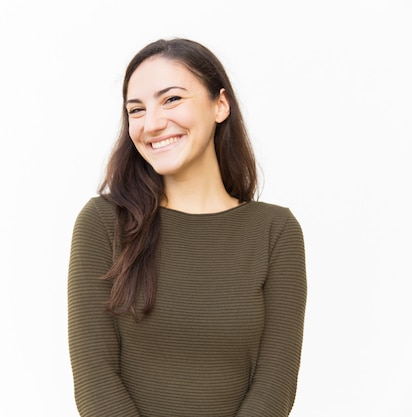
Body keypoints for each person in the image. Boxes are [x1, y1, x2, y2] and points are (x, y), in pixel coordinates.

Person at [67, 38, 307, 417]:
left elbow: (275, 383)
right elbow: (95, 379)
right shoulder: (102, 222)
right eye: (136, 109)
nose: (152, 123)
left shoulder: (275, 231)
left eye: (172, 99)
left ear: (220, 105)